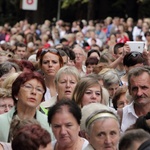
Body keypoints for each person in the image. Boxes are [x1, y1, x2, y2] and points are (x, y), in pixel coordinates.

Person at [0, 71, 53, 142]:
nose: (34, 92)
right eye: (28, 87)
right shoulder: (2, 121)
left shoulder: (48, 124)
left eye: (39, 89)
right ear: (16, 94)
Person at [120, 66, 150, 132]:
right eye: (134, 89)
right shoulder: (121, 115)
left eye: (144, 87)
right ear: (129, 91)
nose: (139, 93)